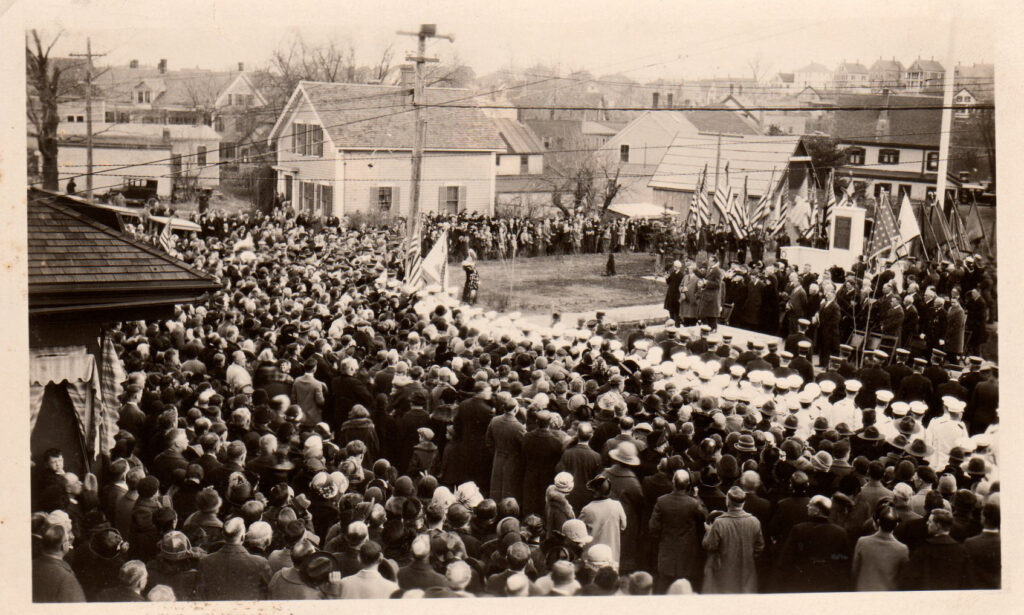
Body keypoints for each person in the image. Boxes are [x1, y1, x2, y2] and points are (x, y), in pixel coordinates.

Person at [648, 469, 707, 592]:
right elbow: (704, 517)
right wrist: (697, 497)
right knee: (684, 587)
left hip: (666, 550)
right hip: (687, 553)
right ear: (688, 485)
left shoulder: (661, 501)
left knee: (664, 586)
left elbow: (653, 527)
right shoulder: (693, 503)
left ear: (673, 482)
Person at [701, 486, 764, 594]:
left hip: (724, 573)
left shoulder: (719, 523)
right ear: (743, 503)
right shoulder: (754, 521)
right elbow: (759, 546)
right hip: (747, 571)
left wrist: (708, 531)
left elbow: (710, 546)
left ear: (727, 501)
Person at [195, 517, 272, 600]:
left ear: (223, 536)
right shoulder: (260, 563)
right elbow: (269, 594)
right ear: (243, 537)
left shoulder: (205, 562)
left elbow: (200, 595)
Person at [900, 508, 970, 590]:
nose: (927, 523)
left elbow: (910, 578)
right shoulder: (961, 550)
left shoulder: (924, 549)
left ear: (938, 526)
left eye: (930, 521)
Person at [664, 260, 684, 325]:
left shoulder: (681, 275)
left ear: (678, 267)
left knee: (676, 312)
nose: (674, 267)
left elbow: (681, 285)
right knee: (671, 311)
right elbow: (668, 282)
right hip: (670, 295)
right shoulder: (672, 273)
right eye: (674, 266)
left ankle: (677, 325)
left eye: (675, 266)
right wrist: (666, 278)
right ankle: (671, 324)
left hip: (676, 296)